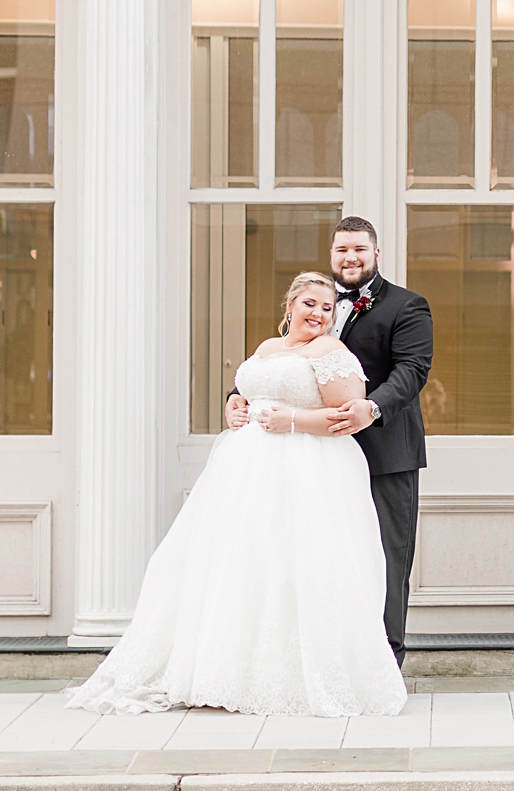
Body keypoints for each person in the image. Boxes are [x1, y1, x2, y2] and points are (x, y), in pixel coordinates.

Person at [66, 273, 406, 717]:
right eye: (309, 303)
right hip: (244, 472)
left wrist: (293, 422)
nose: (318, 314)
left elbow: (346, 419)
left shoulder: (332, 353)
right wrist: (234, 404)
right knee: (239, 564)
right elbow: (250, 391)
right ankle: (222, 669)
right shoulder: (268, 349)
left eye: (327, 308)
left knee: (294, 565)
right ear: (289, 305)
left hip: (307, 471)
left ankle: (287, 677)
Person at [227, 216, 432, 667]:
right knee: (311, 559)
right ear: (332, 255)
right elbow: (280, 370)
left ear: (376, 253)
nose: (350, 258)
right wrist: (235, 400)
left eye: (359, 249)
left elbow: (411, 371)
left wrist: (371, 407)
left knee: (382, 559)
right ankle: (317, 660)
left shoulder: (406, 306)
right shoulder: (315, 301)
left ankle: (381, 664)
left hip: (383, 453)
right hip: (307, 461)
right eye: (341, 250)